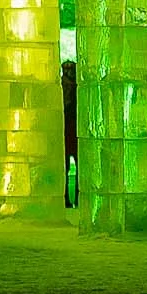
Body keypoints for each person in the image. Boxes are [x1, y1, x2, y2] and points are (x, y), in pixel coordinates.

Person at [61, 58, 80, 209]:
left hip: (72, 134)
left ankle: (71, 199)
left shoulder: (73, 88)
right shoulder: (71, 88)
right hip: (69, 134)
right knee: (69, 169)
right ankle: (69, 199)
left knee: (71, 169)